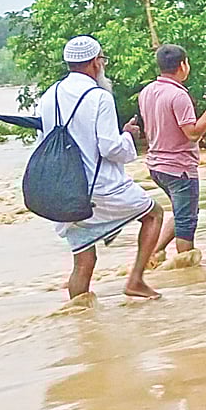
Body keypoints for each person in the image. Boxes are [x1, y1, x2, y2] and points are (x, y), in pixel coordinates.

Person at [35, 36, 163, 300]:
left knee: (83, 260)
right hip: (100, 187)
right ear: (95, 63)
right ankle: (136, 280)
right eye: (102, 60)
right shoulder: (99, 97)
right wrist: (128, 136)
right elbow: (110, 148)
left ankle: (79, 317)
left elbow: (44, 142)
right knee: (154, 214)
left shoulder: (49, 96)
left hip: (64, 191)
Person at [139, 44, 206, 261]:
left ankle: (154, 252)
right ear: (183, 65)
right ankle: (185, 269)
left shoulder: (147, 92)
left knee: (181, 211)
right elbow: (192, 134)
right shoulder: (178, 95)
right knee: (186, 221)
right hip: (180, 169)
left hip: (156, 166)